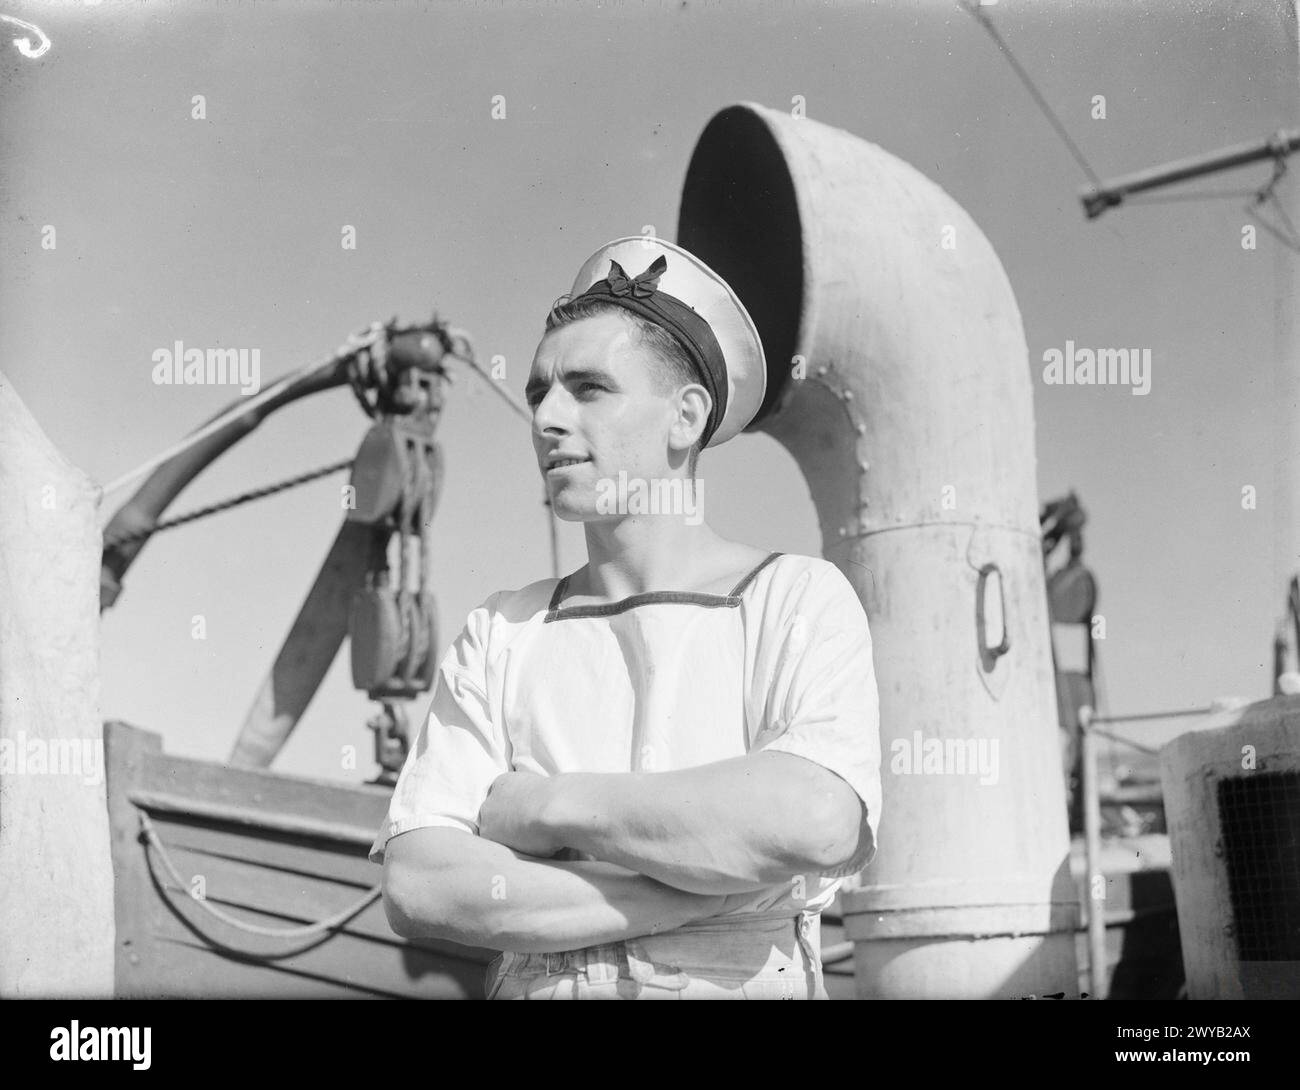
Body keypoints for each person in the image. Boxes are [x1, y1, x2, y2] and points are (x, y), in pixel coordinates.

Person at [370, 236, 882, 999]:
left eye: (587, 388)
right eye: (539, 389)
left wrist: (544, 804)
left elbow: (813, 817)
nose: (544, 416)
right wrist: (690, 891)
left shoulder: (795, 598)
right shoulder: (503, 630)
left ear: (686, 416)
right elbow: (420, 883)